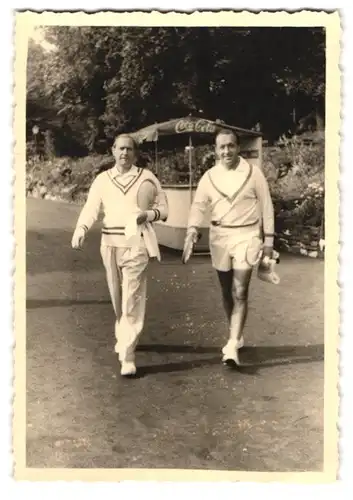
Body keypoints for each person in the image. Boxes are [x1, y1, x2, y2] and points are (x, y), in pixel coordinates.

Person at [71, 134, 168, 376]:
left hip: (136, 241)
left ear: (135, 153)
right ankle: (124, 332)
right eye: (120, 148)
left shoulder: (146, 177)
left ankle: (127, 355)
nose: (124, 153)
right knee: (117, 298)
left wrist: (148, 215)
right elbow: (91, 207)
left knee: (131, 298)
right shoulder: (103, 179)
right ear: (113, 151)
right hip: (110, 242)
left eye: (129, 149)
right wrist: (81, 228)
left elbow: (164, 209)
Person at [183, 129, 275, 366]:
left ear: (238, 147)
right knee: (226, 291)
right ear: (215, 150)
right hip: (220, 237)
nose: (227, 151)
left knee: (240, 291)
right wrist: (192, 229)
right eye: (222, 147)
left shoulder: (253, 174)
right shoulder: (209, 177)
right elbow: (198, 206)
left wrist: (268, 243)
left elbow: (266, 208)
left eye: (231, 146)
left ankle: (232, 344)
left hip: (247, 236)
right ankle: (236, 332)